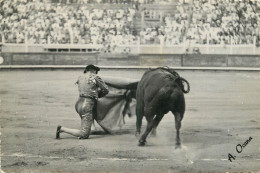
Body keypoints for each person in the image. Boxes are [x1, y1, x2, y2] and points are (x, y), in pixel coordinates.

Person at [56, 65, 109, 139]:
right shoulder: (95, 77)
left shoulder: (80, 77)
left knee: (93, 109)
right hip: (86, 105)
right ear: (92, 70)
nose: (96, 73)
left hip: (79, 103)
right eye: (96, 71)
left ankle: (92, 128)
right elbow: (106, 90)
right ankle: (62, 129)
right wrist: (98, 95)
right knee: (84, 134)